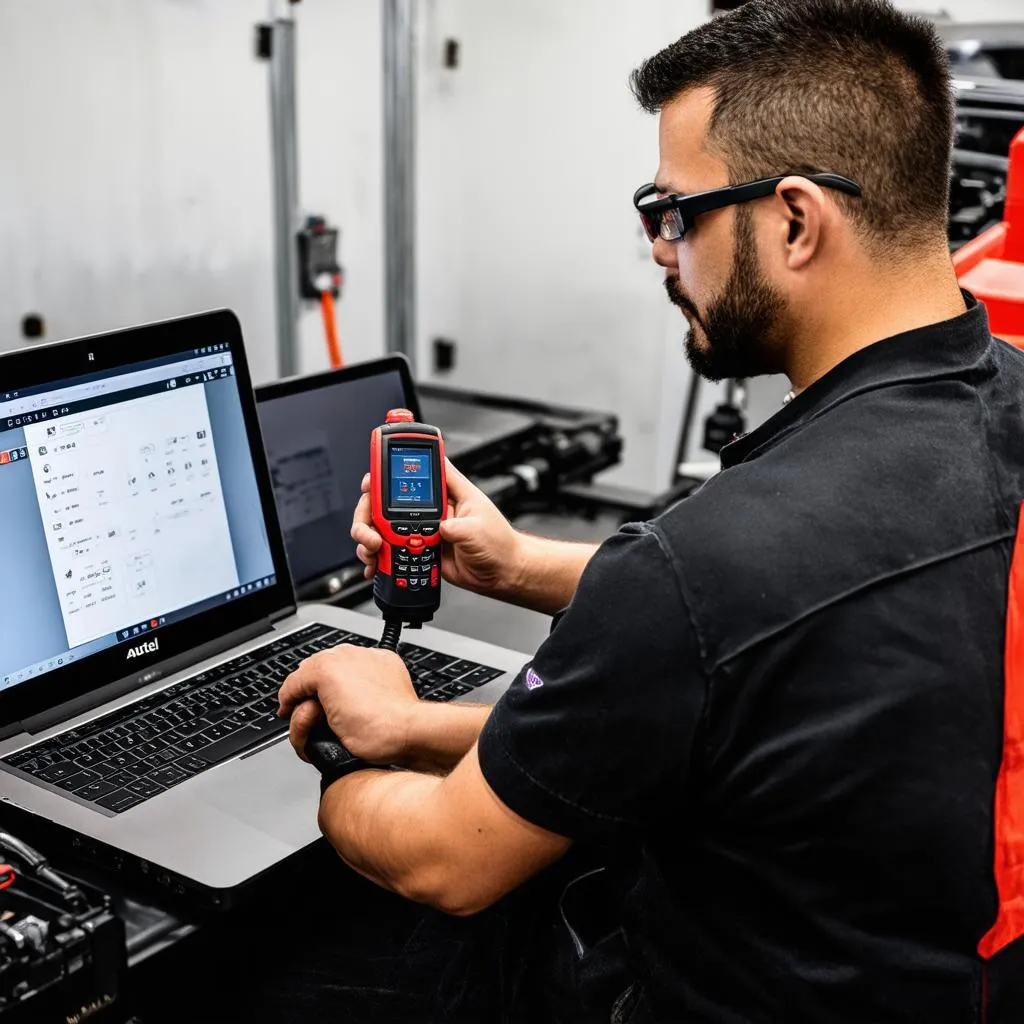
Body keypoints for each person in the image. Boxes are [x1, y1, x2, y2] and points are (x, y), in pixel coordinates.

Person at [276, 1, 1024, 1020]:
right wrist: (510, 565)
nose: (660, 250)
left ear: (795, 222)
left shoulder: (707, 568)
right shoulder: (999, 400)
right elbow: (789, 610)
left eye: (675, 212)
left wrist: (340, 751)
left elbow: (443, 858)